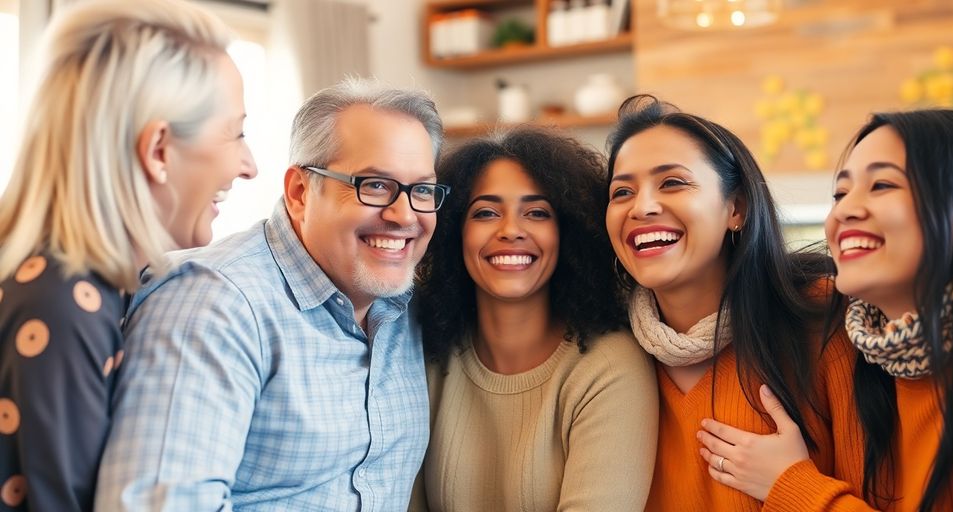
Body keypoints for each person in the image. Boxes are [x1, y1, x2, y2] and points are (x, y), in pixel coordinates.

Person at [94, 78, 445, 510]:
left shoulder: (403, 303)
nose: (404, 214)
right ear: (300, 192)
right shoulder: (213, 303)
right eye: (373, 185)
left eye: (423, 190)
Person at [697, 109, 953, 510]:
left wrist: (793, 485)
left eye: (882, 185)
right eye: (840, 194)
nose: (844, 211)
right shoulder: (884, 363)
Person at [0, 0, 256, 509]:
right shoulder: (63, 303)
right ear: (159, 149)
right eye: (237, 133)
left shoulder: (95, 286)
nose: (249, 165)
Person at [604, 95, 865, 510]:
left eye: (672, 182)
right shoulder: (605, 349)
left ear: (736, 208)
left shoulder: (827, 317)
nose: (643, 207)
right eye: (622, 192)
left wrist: (790, 485)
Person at [411, 127, 658, 511]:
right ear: (454, 231)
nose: (511, 230)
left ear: (568, 233)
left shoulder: (609, 367)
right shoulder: (424, 355)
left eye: (537, 213)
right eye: (486, 213)